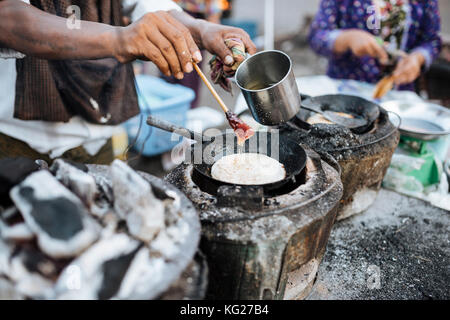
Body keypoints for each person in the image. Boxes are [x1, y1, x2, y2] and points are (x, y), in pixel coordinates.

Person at [0, 0, 256, 164]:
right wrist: (120, 40)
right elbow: (8, 17)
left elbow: (149, 6)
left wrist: (201, 29)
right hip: (19, 138)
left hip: (101, 127)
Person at [308, 0, 442, 90]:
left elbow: (432, 41)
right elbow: (317, 36)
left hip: (398, 98)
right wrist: (346, 38)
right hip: (346, 94)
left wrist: (418, 58)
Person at [164, 0, 229, 109]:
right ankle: (169, 108)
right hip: (167, 12)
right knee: (169, 69)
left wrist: (213, 16)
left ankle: (187, 109)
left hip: (194, 16)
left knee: (189, 73)